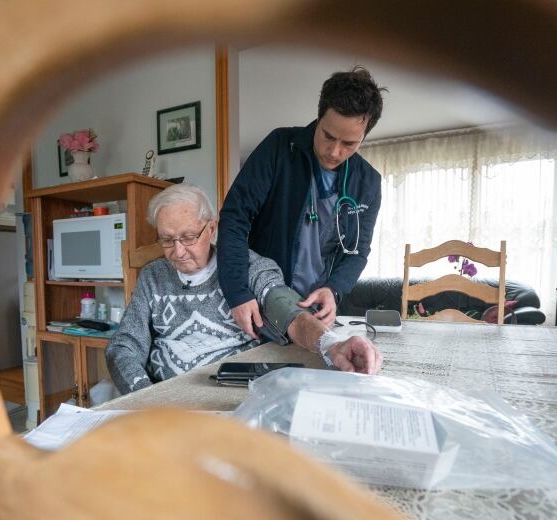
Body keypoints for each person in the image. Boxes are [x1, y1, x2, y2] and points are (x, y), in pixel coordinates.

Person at [106, 183, 383, 394]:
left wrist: (332, 344)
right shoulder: (152, 276)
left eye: (189, 237)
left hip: (228, 394)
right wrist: (143, 393)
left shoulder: (245, 266)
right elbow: (125, 345)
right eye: (167, 240)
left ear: (211, 229)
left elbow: (285, 308)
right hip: (163, 399)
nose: (177, 252)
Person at [217, 66, 387, 339]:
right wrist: (237, 292)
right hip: (262, 303)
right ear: (318, 117)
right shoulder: (280, 147)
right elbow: (234, 219)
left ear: (364, 136)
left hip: (317, 310)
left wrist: (334, 289)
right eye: (328, 136)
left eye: (349, 144)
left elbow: (358, 252)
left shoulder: (367, 182)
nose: (334, 151)